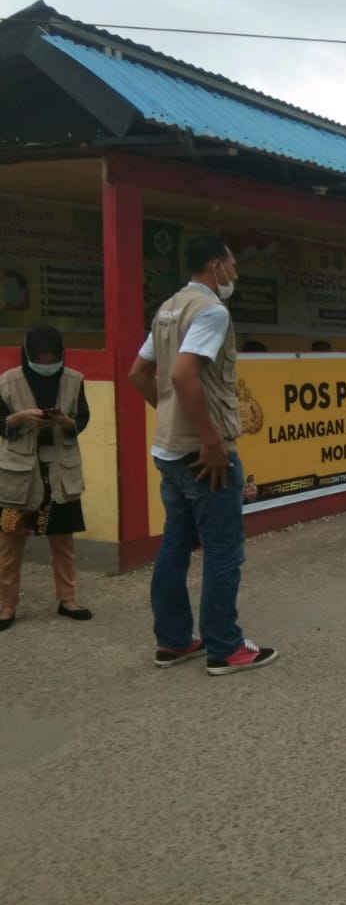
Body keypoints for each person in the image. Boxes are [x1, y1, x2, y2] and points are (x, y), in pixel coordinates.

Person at [127, 233, 278, 675]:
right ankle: (225, 648)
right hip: (203, 455)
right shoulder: (211, 311)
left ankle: (173, 641)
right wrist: (210, 440)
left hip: (169, 450)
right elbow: (182, 373)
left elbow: (139, 373)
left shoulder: (169, 309)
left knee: (176, 544)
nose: (235, 275)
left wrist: (170, 416)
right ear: (216, 266)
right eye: (232, 266)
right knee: (223, 549)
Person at [0, 326, 92, 629]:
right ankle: (6, 606)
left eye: (52, 358)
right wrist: (19, 418)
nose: (47, 363)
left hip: (59, 473)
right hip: (19, 475)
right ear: (28, 355)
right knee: (9, 543)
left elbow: (82, 419)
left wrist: (65, 422)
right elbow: (1, 424)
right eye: (40, 358)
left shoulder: (74, 380)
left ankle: (68, 600)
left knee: (63, 540)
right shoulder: (7, 381)